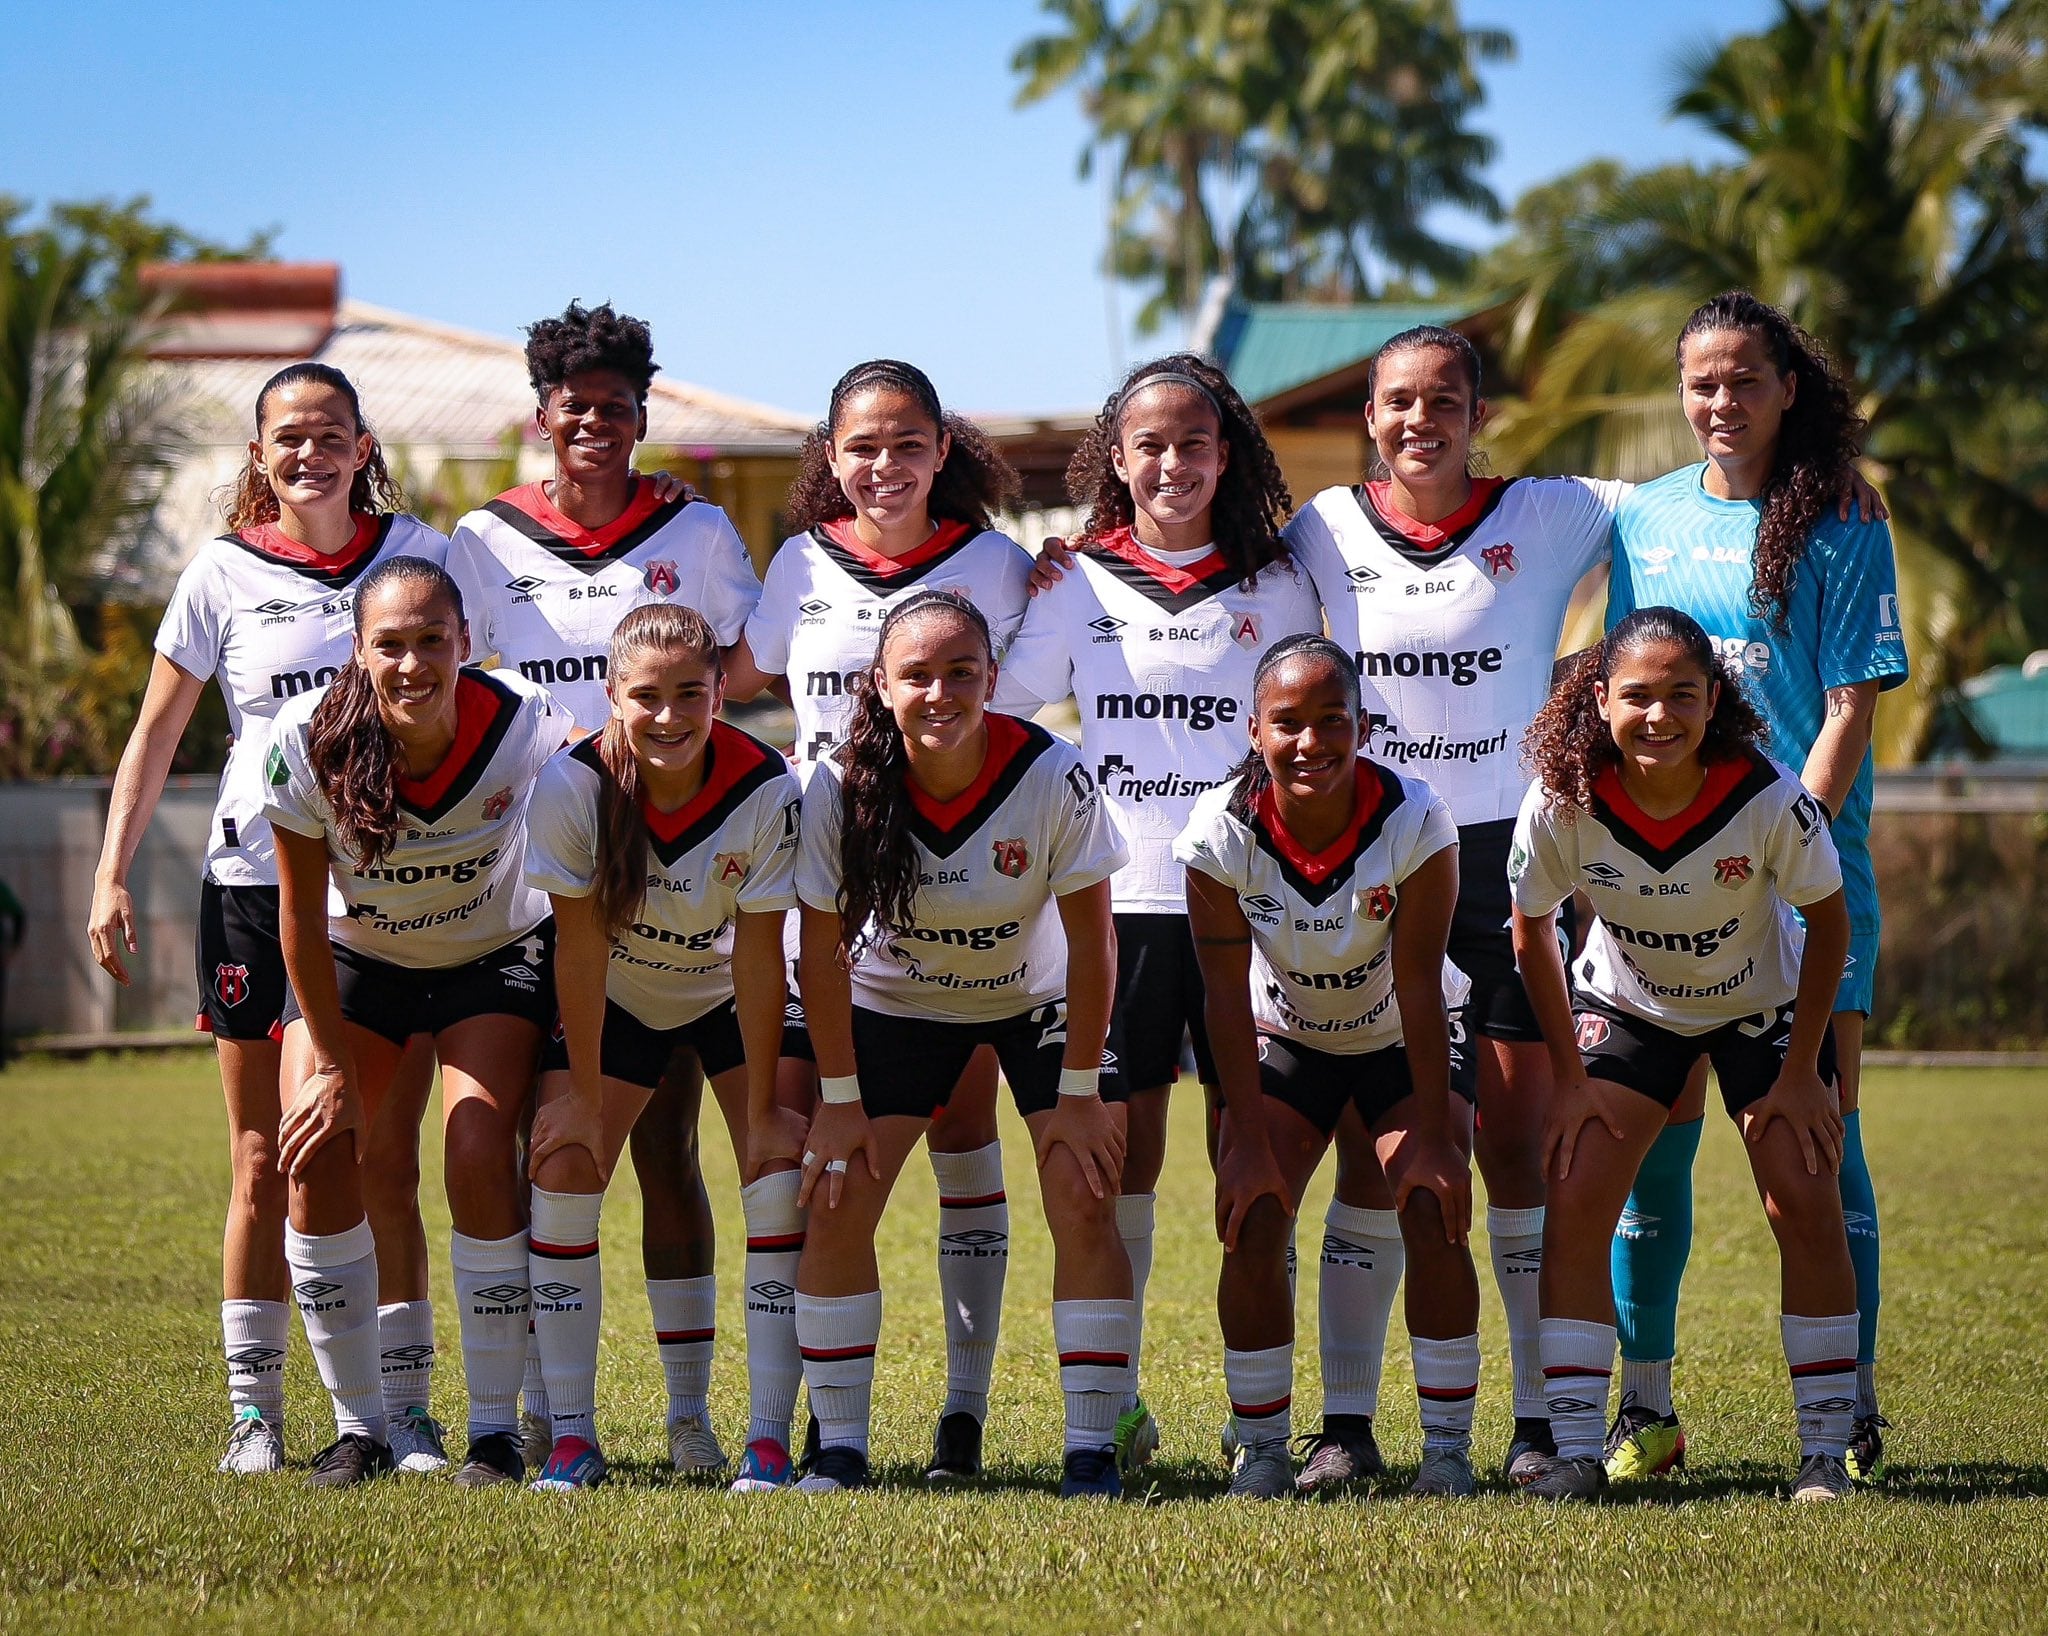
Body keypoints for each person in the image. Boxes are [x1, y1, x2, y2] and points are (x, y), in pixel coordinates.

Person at [87, 363, 450, 1476]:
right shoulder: (221, 573)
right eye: (287, 436)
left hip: (378, 896)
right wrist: (109, 872)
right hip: (251, 887)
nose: (308, 452)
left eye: (329, 433)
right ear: (259, 453)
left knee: (371, 1157)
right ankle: (257, 1416)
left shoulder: (422, 554)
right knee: (257, 1158)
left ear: (361, 444)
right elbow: (156, 738)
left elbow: (481, 694)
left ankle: (404, 1413)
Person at [1280, 326, 1630, 1476]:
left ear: (1478, 415)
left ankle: (1532, 1430)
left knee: (1517, 1156)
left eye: (1442, 399)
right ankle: (1345, 1430)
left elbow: (1695, 497)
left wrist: (1827, 482)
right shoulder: (1320, 529)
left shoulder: (1550, 512)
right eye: (1396, 401)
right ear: (1369, 417)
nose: (1417, 418)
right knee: (1370, 1156)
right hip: (1373, 862)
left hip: (1511, 866)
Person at [446, 301, 763, 1475]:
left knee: (666, 1145)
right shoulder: (480, 540)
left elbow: (738, 668)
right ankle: (539, 1405)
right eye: (573, 405)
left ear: (642, 417)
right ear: (543, 418)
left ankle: (687, 1416)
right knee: (549, 1140)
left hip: (671, 878)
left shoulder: (699, 532)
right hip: (529, 875)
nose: (592, 422)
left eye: (614, 406)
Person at [1602, 292, 1909, 1485]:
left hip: (1805, 884)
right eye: (1699, 383)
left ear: (1790, 386)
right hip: (1661, 892)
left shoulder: (1839, 519)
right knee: (1651, 1151)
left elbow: (1847, 709)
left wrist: (1788, 851)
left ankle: (1852, 1412)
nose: (1718, 402)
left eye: (1742, 380)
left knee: (1822, 1145)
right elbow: (1626, 695)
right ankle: (1645, 1413)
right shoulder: (1645, 516)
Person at [994, 354, 1321, 1472]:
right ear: (1115, 458)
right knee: (1117, 1164)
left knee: (1254, 1152)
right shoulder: (1074, 581)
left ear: (1224, 454)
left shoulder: (1280, 582)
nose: (1171, 462)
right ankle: (1119, 1415)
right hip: (1120, 906)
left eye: (1193, 442)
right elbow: (999, 710)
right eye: (1149, 444)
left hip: (1250, 903)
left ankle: (1258, 1431)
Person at [737, 359, 1032, 1481]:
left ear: (940, 449)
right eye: (861, 446)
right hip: (821, 888)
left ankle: (960, 1415)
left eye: (906, 443)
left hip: (955, 891)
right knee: (811, 1159)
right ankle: (800, 1424)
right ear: (831, 453)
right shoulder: (798, 563)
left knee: (962, 1136)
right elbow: (725, 675)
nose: (883, 465)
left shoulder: (1003, 568)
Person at [781, 590, 1134, 1496]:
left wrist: (1085, 1089)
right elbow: (820, 951)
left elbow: (1096, 944)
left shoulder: (1053, 773)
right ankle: (843, 1448)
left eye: (962, 673)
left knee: (1085, 1192)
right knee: (834, 1197)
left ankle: (1092, 1448)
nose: (941, 693)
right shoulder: (839, 786)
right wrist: (838, 1098)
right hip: (899, 1005)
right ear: (880, 685)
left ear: (991, 679)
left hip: (1036, 1002)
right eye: (918, 676)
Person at [1508, 606, 1858, 1503]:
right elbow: (1529, 929)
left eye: (1681, 696)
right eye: (1637, 697)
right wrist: (1572, 1077)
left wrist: (1798, 1074)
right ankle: (1580, 1453)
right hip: (1632, 1010)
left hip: (1759, 1012)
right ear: (1600, 700)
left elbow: (1827, 923)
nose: (1658, 716)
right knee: (1577, 1202)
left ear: (1714, 703)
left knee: (1803, 1200)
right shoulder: (1563, 798)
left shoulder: (1768, 794)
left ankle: (1825, 1452)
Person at [261, 555, 570, 1487]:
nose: (411, 664)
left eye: (432, 641)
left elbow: (606, 796)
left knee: (476, 1151)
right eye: (387, 645)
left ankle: (492, 1434)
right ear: (356, 653)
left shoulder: (526, 724)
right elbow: (298, 918)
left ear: (466, 645)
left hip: (492, 960)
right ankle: (362, 1427)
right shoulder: (305, 740)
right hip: (361, 961)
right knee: (316, 1152)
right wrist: (325, 1068)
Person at [1176, 635, 1481, 1498]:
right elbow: (1224, 996)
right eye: (1287, 723)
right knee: (1255, 1210)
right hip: (1293, 1035)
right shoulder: (1218, 831)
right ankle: (1264, 1448)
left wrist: (1430, 1135)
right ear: (1253, 730)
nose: (1310, 742)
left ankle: (1449, 1453)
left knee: (1431, 1204)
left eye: (1331, 721)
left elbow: (1421, 983)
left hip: (1400, 1035)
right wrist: (1241, 1140)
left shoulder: (1416, 819)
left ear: (1363, 725)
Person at [520, 603, 801, 1492]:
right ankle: (569, 1434)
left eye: (692, 692)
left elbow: (761, 955)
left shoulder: (767, 786)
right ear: (611, 695)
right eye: (648, 695)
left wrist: (759, 1116)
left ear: (725, 690)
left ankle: (753, 1436)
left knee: (779, 1172)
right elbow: (579, 945)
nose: (671, 715)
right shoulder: (571, 787)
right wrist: (582, 1099)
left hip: (728, 993)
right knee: (566, 1168)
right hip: (621, 996)